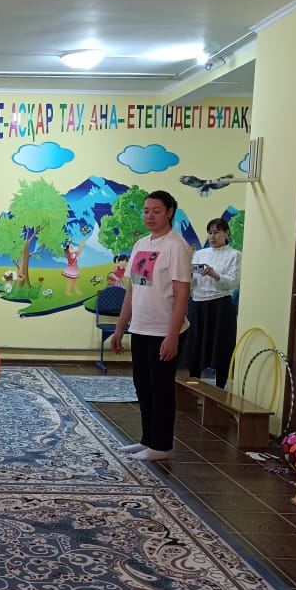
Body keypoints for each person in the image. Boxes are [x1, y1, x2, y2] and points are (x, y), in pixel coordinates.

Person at [109, 189, 191, 461]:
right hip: (141, 327)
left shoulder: (176, 246)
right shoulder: (141, 244)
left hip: (163, 330)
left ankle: (161, 446)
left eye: (156, 211)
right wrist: (120, 327)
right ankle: (147, 439)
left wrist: (172, 335)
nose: (150, 216)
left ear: (169, 212)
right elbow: (133, 290)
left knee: (161, 388)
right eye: (146, 211)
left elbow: (182, 294)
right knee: (143, 386)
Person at [186, 217, 241, 389]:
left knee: (221, 348)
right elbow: (192, 282)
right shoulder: (200, 254)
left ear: (226, 233)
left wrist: (214, 274)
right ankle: (193, 386)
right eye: (209, 233)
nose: (212, 236)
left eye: (216, 232)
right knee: (195, 347)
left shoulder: (234, 255)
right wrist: (188, 274)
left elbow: (233, 282)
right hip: (198, 303)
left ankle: (219, 389)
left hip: (221, 304)